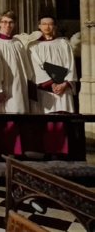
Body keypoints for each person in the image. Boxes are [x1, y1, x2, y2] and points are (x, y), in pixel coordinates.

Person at [0, 11, 33, 156]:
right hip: (1, 85)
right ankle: (1, 150)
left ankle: (17, 149)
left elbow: (26, 69)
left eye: (10, 22)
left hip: (18, 85)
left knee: (17, 113)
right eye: (4, 22)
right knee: (2, 118)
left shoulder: (18, 43)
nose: (7, 25)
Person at [27, 15, 78, 157]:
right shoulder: (33, 46)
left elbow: (71, 65)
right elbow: (35, 67)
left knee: (62, 118)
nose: (47, 27)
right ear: (39, 26)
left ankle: (63, 150)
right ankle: (47, 151)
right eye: (44, 24)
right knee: (46, 120)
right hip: (45, 89)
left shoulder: (63, 44)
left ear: (54, 26)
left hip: (63, 88)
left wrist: (65, 83)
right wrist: (50, 84)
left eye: (50, 24)